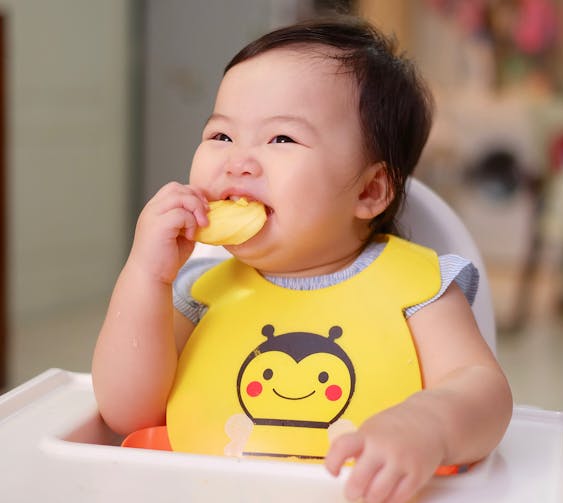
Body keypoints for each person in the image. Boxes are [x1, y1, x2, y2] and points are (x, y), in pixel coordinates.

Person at [92, 15, 512, 503]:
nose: (237, 161)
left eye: (281, 139)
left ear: (370, 189)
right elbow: (126, 414)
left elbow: (485, 393)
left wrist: (428, 425)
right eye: (221, 136)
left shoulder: (418, 289)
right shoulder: (200, 292)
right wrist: (146, 275)